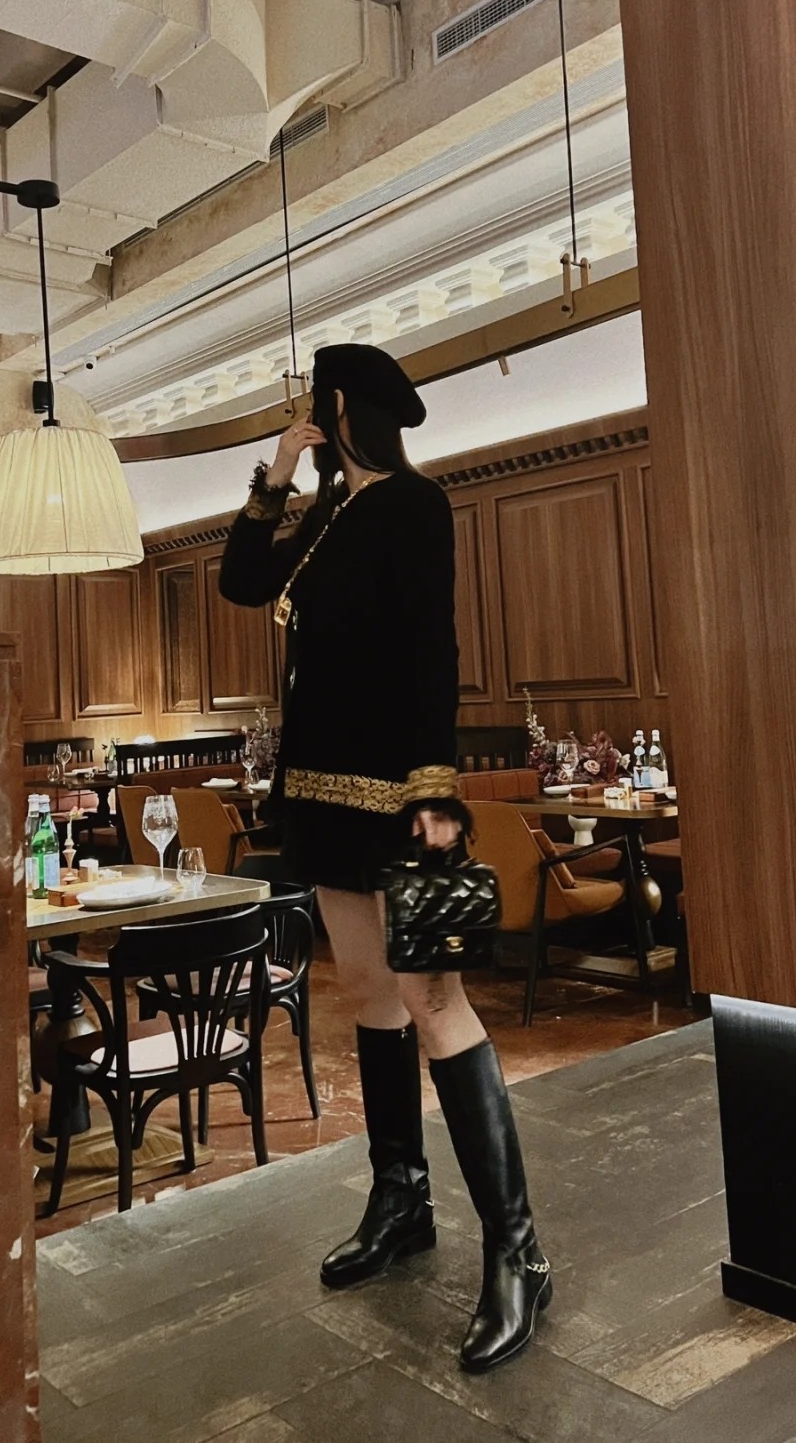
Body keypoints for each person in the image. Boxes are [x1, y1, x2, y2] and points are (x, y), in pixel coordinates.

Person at [219, 342, 550, 1373]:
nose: (311, 419)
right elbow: (241, 581)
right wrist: (277, 471)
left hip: (395, 799)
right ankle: (400, 1198)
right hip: (318, 796)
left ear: (341, 405)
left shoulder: (415, 505)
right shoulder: (323, 514)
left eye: (316, 407)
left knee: (434, 1002)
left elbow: (430, 650)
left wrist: (436, 792)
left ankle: (518, 1252)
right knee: (367, 992)